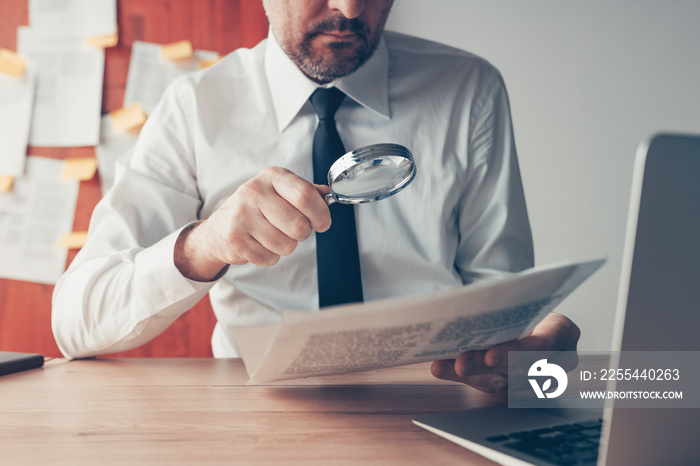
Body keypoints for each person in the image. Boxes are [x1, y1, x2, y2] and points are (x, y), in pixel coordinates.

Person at [52, 0, 580, 394]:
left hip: (430, 409)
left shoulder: (470, 89)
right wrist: (204, 245)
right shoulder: (195, 108)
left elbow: (500, 298)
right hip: (258, 418)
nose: (349, 9)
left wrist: (525, 360)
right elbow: (77, 324)